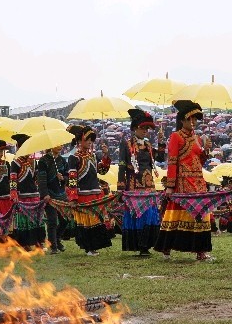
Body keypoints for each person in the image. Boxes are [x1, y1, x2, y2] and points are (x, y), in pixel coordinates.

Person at [154, 100, 215, 262]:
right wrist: (170, 186)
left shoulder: (196, 138)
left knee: (201, 215)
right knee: (175, 216)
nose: (193, 122)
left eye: (195, 119)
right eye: (190, 119)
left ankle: (200, 251)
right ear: (182, 120)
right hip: (182, 183)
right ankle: (166, 248)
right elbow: (172, 161)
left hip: (199, 182)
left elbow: (199, 161)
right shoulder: (175, 136)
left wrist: (206, 150)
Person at [119, 108, 160, 256]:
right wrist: (120, 186)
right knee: (137, 215)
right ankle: (140, 246)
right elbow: (122, 166)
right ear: (135, 127)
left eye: (147, 128)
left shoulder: (148, 145)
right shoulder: (126, 144)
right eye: (143, 128)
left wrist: (161, 143)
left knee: (149, 214)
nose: (145, 131)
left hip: (149, 186)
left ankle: (147, 246)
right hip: (133, 185)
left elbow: (158, 160)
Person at [67, 124, 112, 255]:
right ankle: (89, 248)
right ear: (79, 140)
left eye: (91, 140)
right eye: (87, 140)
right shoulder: (74, 158)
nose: (90, 142)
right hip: (83, 195)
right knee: (87, 223)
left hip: (95, 194)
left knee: (97, 221)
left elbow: (102, 171)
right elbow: (72, 179)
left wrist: (105, 155)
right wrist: (73, 197)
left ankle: (94, 247)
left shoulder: (92, 156)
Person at [10, 134, 47, 250]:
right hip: (22, 197)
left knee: (37, 219)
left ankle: (39, 242)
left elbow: (35, 178)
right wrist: (14, 193)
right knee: (24, 221)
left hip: (34, 195)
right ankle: (24, 244)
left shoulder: (33, 162)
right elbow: (12, 180)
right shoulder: (15, 163)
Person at [36, 143, 68, 254]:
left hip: (62, 195)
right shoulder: (43, 161)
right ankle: (53, 246)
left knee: (66, 219)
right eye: (57, 144)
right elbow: (41, 179)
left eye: (61, 144)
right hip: (50, 194)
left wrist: (63, 177)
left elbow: (69, 176)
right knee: (52, 221)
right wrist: (45, 194)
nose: (60, 146)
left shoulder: (63, 160)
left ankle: (57, 239)